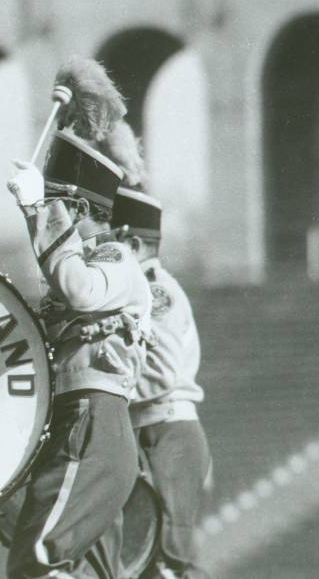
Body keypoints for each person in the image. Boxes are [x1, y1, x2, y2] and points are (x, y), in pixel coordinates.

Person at [6, 129, 152, 579]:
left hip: (92, 422)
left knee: (38, 560)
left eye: (62, 203)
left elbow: (81, 291)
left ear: (81, 209)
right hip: (77, 425)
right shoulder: (74, 265)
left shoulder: (114, 259)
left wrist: (41, 210)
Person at [110, 185, 211, 579]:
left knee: (170, 554)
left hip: (166, 429)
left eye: (112, 246)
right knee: (145, 556)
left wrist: (111, 394)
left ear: (132, 244)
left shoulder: (157, 294)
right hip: (152, 429)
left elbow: (161, 372)